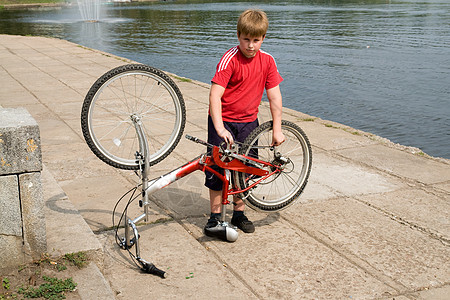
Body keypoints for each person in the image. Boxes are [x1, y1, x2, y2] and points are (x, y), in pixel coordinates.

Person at [204, 9, 285, 237]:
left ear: (263, 38)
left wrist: (276, 129)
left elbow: (274, 97)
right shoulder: (230, 59)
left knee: (244, 170)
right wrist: (219, 127)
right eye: (246, 39)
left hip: (250, 123)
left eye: (256, 40)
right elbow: (214, 95)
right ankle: (214, 217)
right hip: (223, 121)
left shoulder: (268, 61)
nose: (250, 45)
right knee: (217, 169)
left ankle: (239, 213)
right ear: (238, 36)